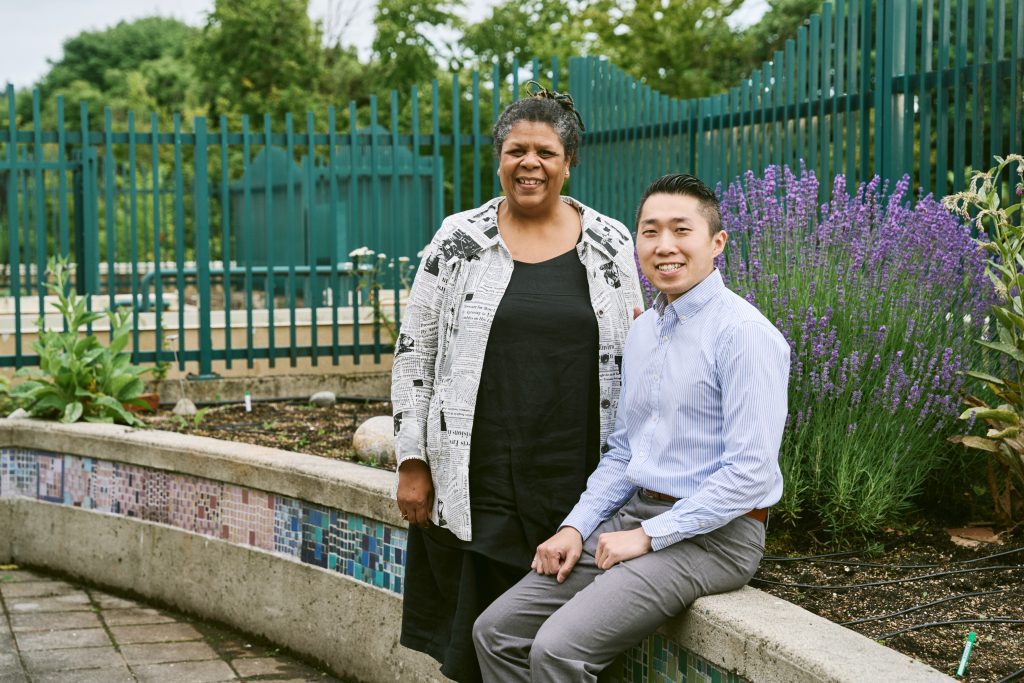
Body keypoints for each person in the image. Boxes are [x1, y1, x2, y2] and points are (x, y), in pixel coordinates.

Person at [473, 173, 791, 682]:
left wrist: (649, 535)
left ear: (717, 243)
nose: (665, 246)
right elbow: (624, 453)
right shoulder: (643, 331)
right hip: (638, 515)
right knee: (496, 631)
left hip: (717, 537)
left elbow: (750, 475)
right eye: (650, 231)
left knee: (556, 651)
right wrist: (575, 527)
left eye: (681, 230)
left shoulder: (746, 335)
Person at [391, 84, 643, 683]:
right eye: (516, 150)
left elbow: (639, 358)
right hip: (478, 477)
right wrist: (412, 460)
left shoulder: (610, 244)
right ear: (499, 158)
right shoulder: (459, 241)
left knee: (561, 637)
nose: (529, 163)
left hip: (575, 476)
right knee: (478, 642)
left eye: (546, 152)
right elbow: (414, 352)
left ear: (569, 162)